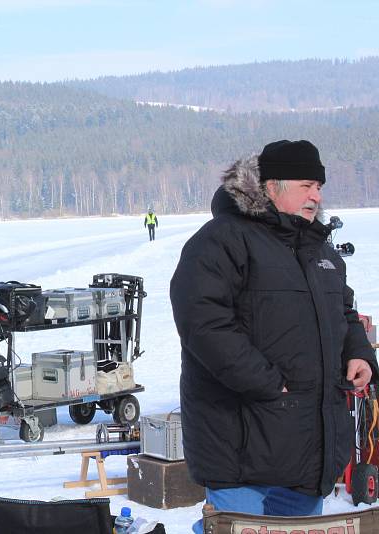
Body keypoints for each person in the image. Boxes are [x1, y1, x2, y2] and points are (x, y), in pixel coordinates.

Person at [169, 140, 377, 530]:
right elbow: (203, 322)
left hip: (307, 446)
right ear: (270, 187)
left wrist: (359, 354)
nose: (316, 196)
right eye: (305, 186)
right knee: (235, 528)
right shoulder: (222, 240)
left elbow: (344, 313)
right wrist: (268, 383)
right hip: (242, 438)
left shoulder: (322, 253)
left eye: (319, 186)